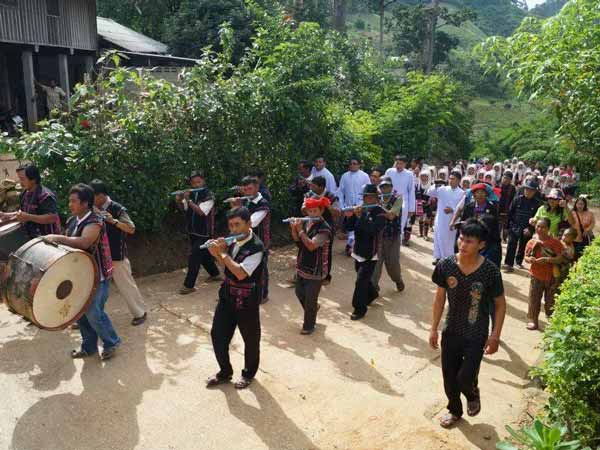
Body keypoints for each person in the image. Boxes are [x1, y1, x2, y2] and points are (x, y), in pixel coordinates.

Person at [430, 219, 506, 428]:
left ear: (481, 245)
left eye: (469, 241)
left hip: (476, 332)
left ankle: (472, 393)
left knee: (465, 378)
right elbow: (439, 299)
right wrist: (434, 328)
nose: (462, 245)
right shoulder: (446, 265)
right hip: (452, 328)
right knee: (449, 377)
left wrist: (495, 335)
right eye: (461, 239)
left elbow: (500, 305)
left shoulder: (490, 272)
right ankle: (454, 410)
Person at [44, 184, 121, 360]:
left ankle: (112, 342)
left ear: (85, 203)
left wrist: (57, 238)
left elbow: (85, 242)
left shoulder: (96, 221)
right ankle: (89, 347)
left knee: (93, 312)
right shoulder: (73, 221)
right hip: (79, 276)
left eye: (74, 201)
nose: (70, 204)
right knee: (80, 313)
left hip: (98, 276)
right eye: (69, 200)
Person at [206, 207, 265, 390]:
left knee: (250, 338)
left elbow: (240, 273)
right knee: (218, 334)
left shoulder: (257, 247)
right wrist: (216, 254)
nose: (234, 229)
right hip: (227, 295)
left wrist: (222, 253)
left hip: (247, 299)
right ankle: (225, 372)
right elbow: (226, 267)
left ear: (248, 224)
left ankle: (248, 374)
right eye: (231, 225)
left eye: (238, 224)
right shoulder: (230, 241)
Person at [90, 179, 147, 326]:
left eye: (93, 196)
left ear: (101, 196)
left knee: (125, 284)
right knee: (91, 287)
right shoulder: (91, 207)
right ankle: (88, 317)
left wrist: (113, 221)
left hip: (116, 255)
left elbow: (131, 228)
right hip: (97, 255)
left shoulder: (117, 208)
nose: (91, 200)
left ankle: (140, 313)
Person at [290, 196, 332, 334]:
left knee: (310, 299)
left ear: (321, 210)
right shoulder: (308, 224)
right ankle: (313, 307)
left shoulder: (324, 229)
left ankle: (309, 326)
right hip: (303, 265)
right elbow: (299, 243)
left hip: (316, 268)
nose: (312, 214)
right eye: (309, 211)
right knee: (299, 292)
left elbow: (312, 245)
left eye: (315, 211)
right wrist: (294, 229)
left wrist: (300, 230)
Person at [176, 171, 221, 295]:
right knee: (204, 255)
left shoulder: (209, 195)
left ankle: (188, 285)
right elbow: (183, 209)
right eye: (193, 183)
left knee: (194, 256)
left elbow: (202, 212)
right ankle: (215, 274)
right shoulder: (190, 194)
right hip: (193, 231)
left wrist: (188, 200)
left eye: (199, 182)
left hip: (205, 232)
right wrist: (179, 200)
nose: (196, 185)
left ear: (203, 181)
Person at [231, 176, 271, 303]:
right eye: (245, 189)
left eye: (250, 188)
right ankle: (242, 293)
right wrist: (235, 208)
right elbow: (235, 221)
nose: (247, 191)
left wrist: (238, 208)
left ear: (257, 188)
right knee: (242, 266)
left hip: (260, 241)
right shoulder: (245, 201)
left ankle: (263, 295)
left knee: (261, 269)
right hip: (245, 239)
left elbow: (252, 222)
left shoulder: (263, 203)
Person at [349, 184, 386, 320]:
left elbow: (372, 230)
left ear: (376, 198)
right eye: (365, 197)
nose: (367, 199)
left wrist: (360, 217)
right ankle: (372, 294)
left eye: (370, 197)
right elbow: (348, 227)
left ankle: (359, 308)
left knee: (360, 281)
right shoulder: (360, 209)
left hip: (371, 252)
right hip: (358, 250)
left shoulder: (381, 213)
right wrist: (350, 216)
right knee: (363, 278)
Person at [524, 218, 564, 330]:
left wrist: (547, 259)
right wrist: (530, 259)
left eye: (543, 227)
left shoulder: (555, 242)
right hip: (536, 275)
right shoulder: (531, 242)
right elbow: (526, 257)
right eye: (538, 226)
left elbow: (560, 259)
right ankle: (533, 320)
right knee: (534, 299)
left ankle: (551, 317)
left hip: (552, 276)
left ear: (548, 228)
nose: (540, 229)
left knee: (551, 300)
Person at [0, 165, 61, 237]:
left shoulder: (45, 196)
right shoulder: (25, 194)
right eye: (19, 179)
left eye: (22, 179)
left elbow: (52, 217)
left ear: (33, 179)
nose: (20, 183)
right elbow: (24, 214)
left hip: (48, 239)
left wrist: (29, 217)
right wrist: (7, 215)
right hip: (32, 236)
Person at [453, 183, 501, 267]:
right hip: (471, 240)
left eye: (482, 192)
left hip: (486, 241)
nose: (480, 195)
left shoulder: (492, 208)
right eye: (477, 192)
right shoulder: (469, 206)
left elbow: (495, 226)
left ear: (486, 194)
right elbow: (464, 222)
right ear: (474, 194)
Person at [372, 177, 405, 293]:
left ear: (391, 187)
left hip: (392, 237)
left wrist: (377, 207)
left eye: (387, 186)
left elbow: (391, 215)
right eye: (382, 187)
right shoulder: (376, 199)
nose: (385, 189)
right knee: (376, 264)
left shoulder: (398, 199)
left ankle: (398, 280)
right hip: (378, 237)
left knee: (393, 264)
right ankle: (373, 289)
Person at [503, 179, 543, 272]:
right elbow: (510, 213)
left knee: (523, 246)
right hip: (515, 226)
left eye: (531, 190)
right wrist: (507, 227)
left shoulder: (537, 203)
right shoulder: (517, 199)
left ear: (534, 192)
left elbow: (536, 218)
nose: (528, 192)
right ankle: (508, 264)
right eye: (527, 189)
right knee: (511, 245)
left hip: (527, 228)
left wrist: (530, 229)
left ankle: (518, 262)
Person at [306, 176, 340, 284]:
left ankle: (326, 277)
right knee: (308, 248)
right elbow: (303, 210)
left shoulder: (332, 196)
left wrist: (328, 206)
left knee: (326, 251)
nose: (310, 187)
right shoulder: (309, 195)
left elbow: (338, 213)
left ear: (321, 187)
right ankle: (309, 274)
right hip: (311, 225)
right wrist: (308, 204)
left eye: (313, 185)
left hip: (327, 227)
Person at [428, 171, 465, 265]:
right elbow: (430, 193)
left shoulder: (461, 193)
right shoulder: (442, 189)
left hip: (452, 219)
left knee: (449, 240)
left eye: (453, 179)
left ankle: (448, 259)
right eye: (450, 178)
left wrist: (452, 210)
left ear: (458, 181)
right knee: (438, 237)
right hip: (440, 218)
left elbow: (461, 207)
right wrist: (435, 184)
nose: (450, 180)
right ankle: (438, 257)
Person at [338, 157, 370, 256]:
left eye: (354, 163)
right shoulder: (345, 176)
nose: (352, 165)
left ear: (359, 165)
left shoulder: (364, 176)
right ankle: (350, 245)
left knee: (360, 226)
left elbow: (368, 192)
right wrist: (342, 205)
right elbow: (340, 191)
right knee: (350, 226)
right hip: (348, 206)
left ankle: (355, 246)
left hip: (361, 206)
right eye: (350, 164)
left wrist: (364, 204)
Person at [384, 155, 416, 245]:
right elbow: (383, 186)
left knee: (400, 224)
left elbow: (411, 191)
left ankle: (396, 245)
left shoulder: (409, 174)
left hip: (403, 201)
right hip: (388, 200)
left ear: (405, 164)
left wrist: (411, 209)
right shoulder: (389, 171)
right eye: (397, 163)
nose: (399, 166)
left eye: (401, 164)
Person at [498, 171, 516, 243]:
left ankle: (504, 240)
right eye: (504, 178)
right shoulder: (497, 186)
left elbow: (513, 200)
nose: (505, 180)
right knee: (497, 228)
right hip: (497, 210)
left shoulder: (512, 188)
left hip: (507, 211)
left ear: (510, 180)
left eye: (508, 179)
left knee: (506, 228)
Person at [415, 170, 432, 240]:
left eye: (425, 176)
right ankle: (421, 233)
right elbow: (415, 194)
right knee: (421, 218)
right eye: (422, 176)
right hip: (419, 203)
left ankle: (426, 235)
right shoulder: (418, 185)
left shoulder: (431, 185)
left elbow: (434, 196)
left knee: (427, 219)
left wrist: (430, 201)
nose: (423, 178)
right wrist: (419, 200)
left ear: (428, 177)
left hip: (429, 204)